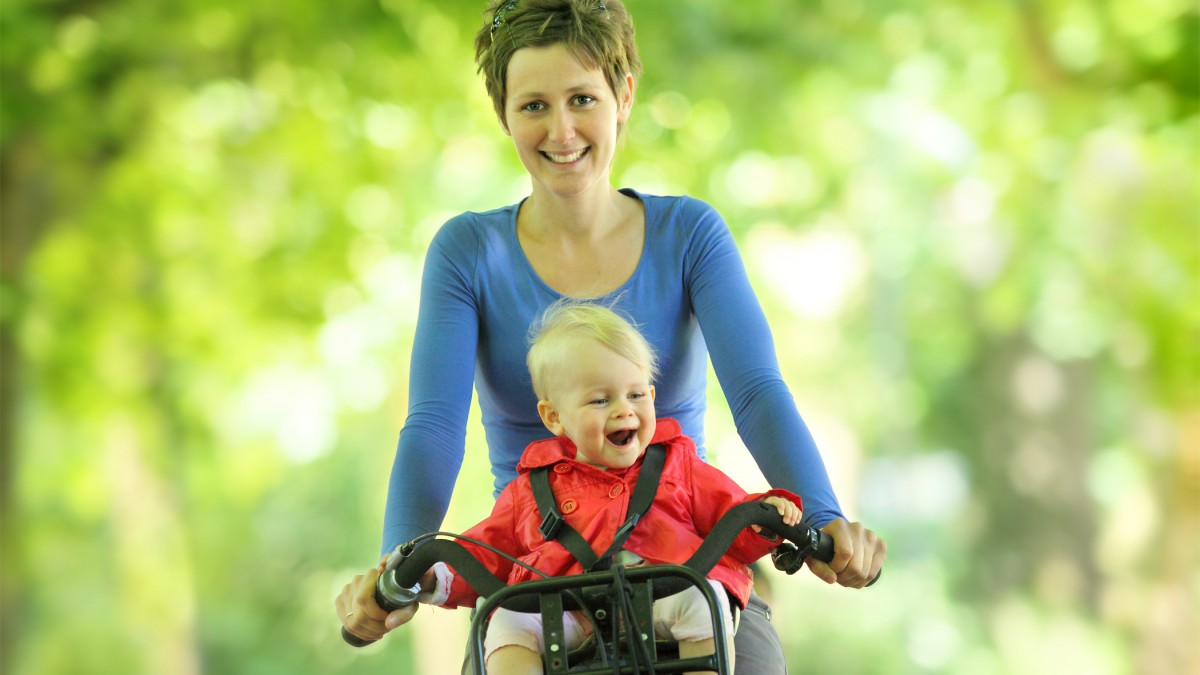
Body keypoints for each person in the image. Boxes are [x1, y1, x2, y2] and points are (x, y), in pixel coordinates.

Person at [337, 1, 886, 671]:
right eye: (533, 105)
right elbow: (432, 426)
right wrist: (400, 563)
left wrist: (824, 519)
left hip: (680, 553)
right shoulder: (467, 252)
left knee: (750, 656)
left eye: (582, 98)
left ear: (623, 96)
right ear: (503, 112)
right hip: (537, 575)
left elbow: (758, 392)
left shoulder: (688, 235)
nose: (561, 129)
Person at [408, 301, 805, 673]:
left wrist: (764, 518)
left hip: (665, 594)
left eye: (635, 395)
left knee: (706, 598)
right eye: (600, 400)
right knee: (506, 620)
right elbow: (486, 550)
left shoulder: (678, 466)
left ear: (651, 396)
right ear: (554, 417)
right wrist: (436, 574)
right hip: (564, 610)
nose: (623, 409)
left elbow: (729, 514)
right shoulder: (533, 488)